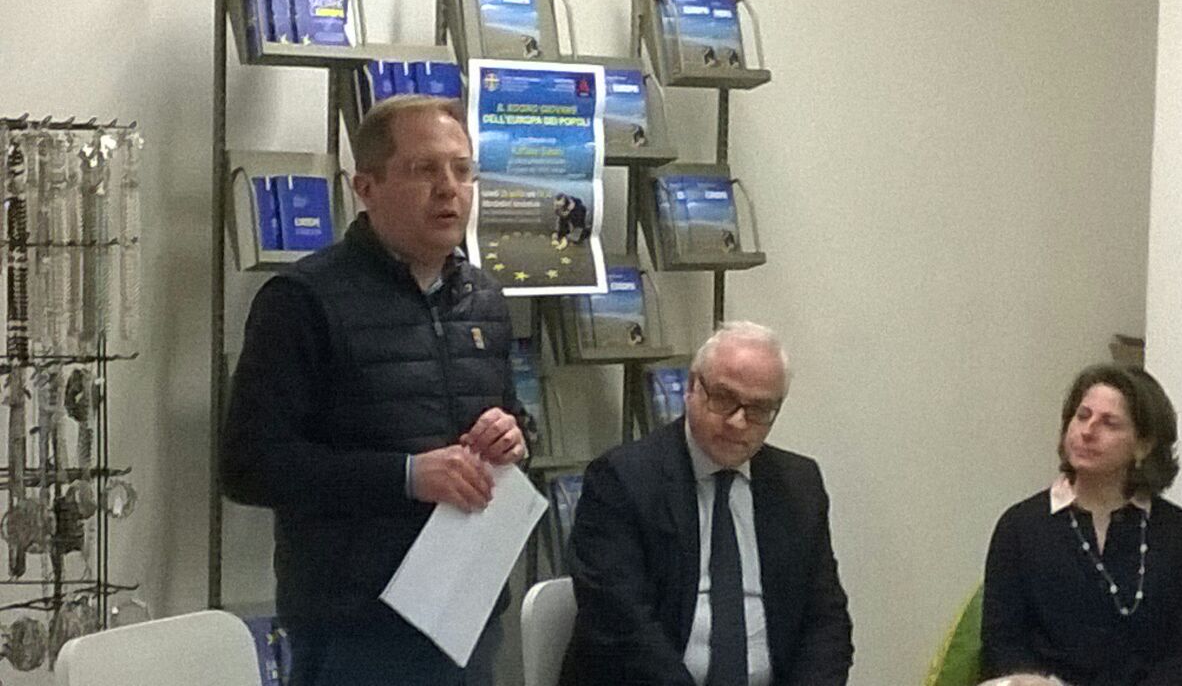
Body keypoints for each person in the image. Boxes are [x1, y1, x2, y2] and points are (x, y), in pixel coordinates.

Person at [220, 96, 529, 686]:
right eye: (424, 169)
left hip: (468, 611)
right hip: (355, 626)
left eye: (462, 170)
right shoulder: (302, 301)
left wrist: (512, 437)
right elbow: (249, 467)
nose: (449, 189)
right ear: (367, 187)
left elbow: (507, 421)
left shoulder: (484, 300)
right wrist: (406, 476)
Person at [560, 321, 854, 686]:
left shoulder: (798, 485)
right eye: (724, 398)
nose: (738, 422)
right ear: (691, 388)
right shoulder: (622, 480)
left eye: (759, 409)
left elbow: (826, 622)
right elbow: (621, 627)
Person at [981, 364, 1182, 686]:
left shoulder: (1181, 535)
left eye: (1109, 423)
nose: (1088, 431)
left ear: (1143, 445)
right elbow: (1002, 643)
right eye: (1082, 416)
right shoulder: (1020, 527)